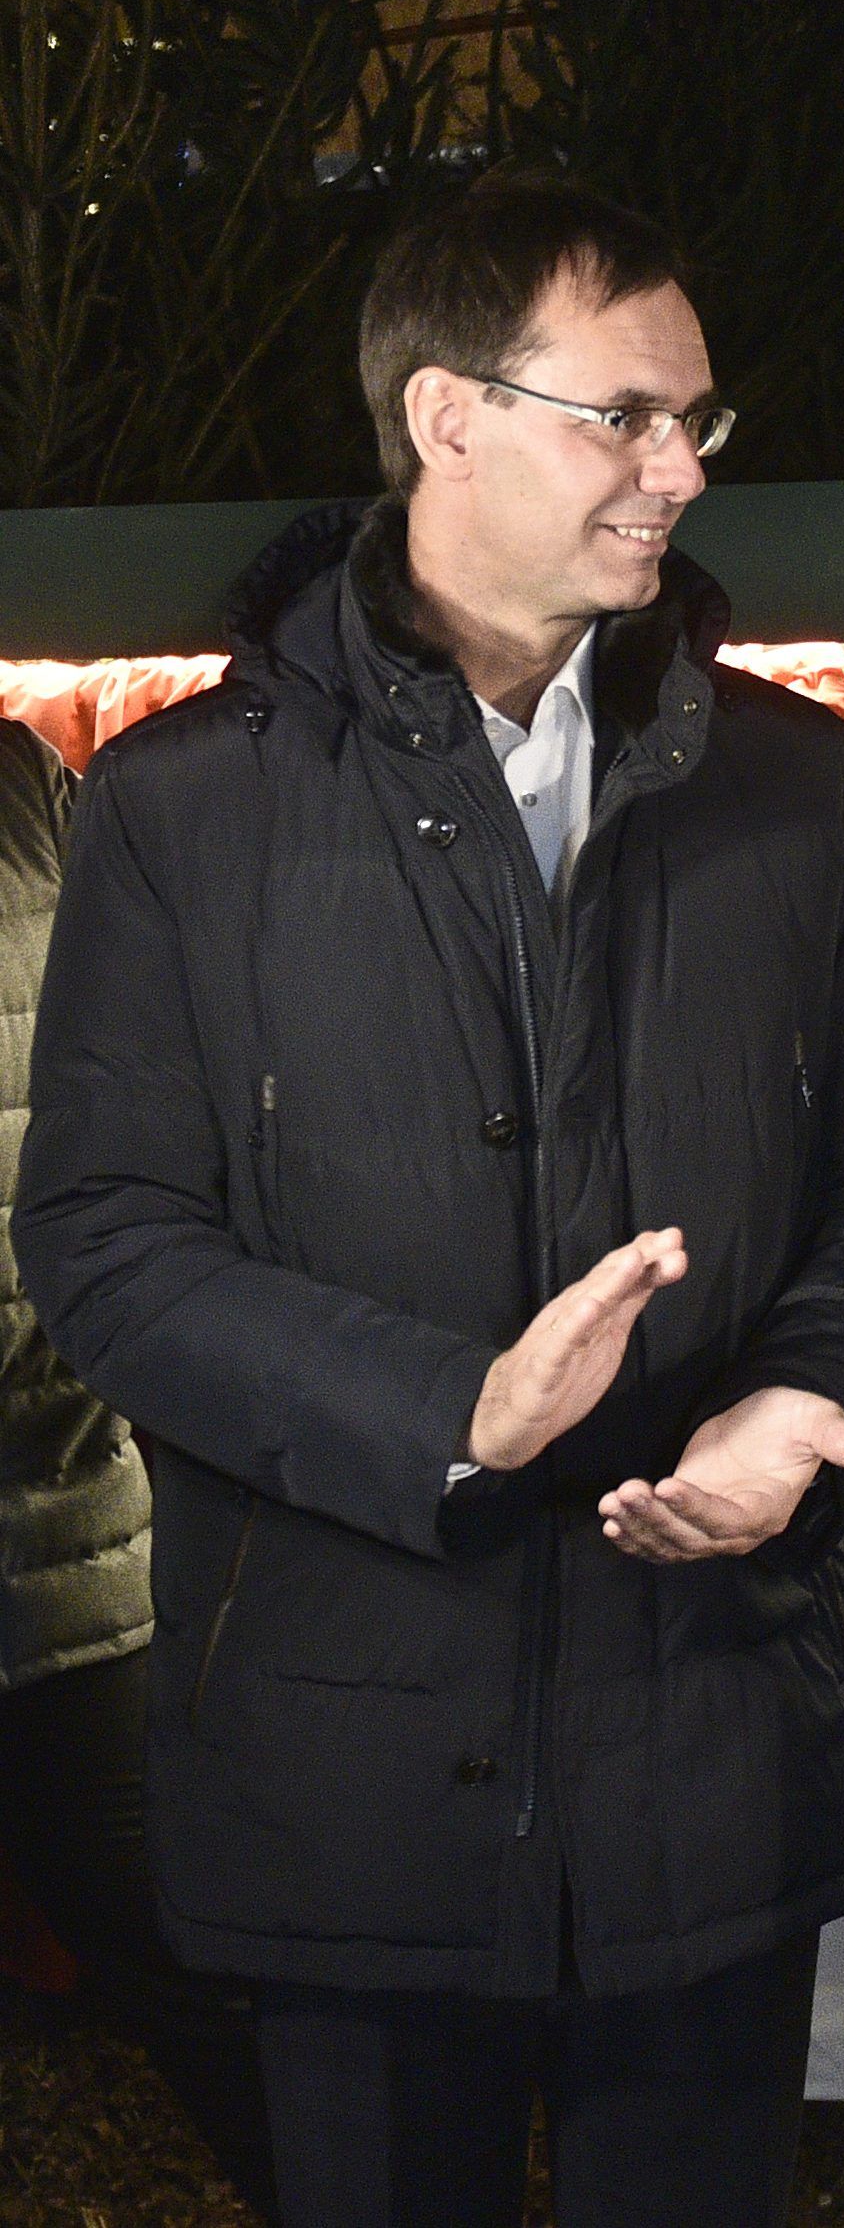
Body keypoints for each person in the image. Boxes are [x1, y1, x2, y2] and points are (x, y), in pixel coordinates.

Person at [13, 170, 844, 2228]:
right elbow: (102, 1243)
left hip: (720, 1730)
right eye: (625, 413)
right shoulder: (182, 808)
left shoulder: (792, 791)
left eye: (700, 418)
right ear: (445, 418)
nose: (683, 466)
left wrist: (806, 1400)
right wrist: (452, 1413)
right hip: (342, 1772)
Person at [0, 712, 278, 2220]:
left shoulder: (27, 789)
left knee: (174, 1937)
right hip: (66, 1489)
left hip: (60, 1503)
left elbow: (141, 1112)